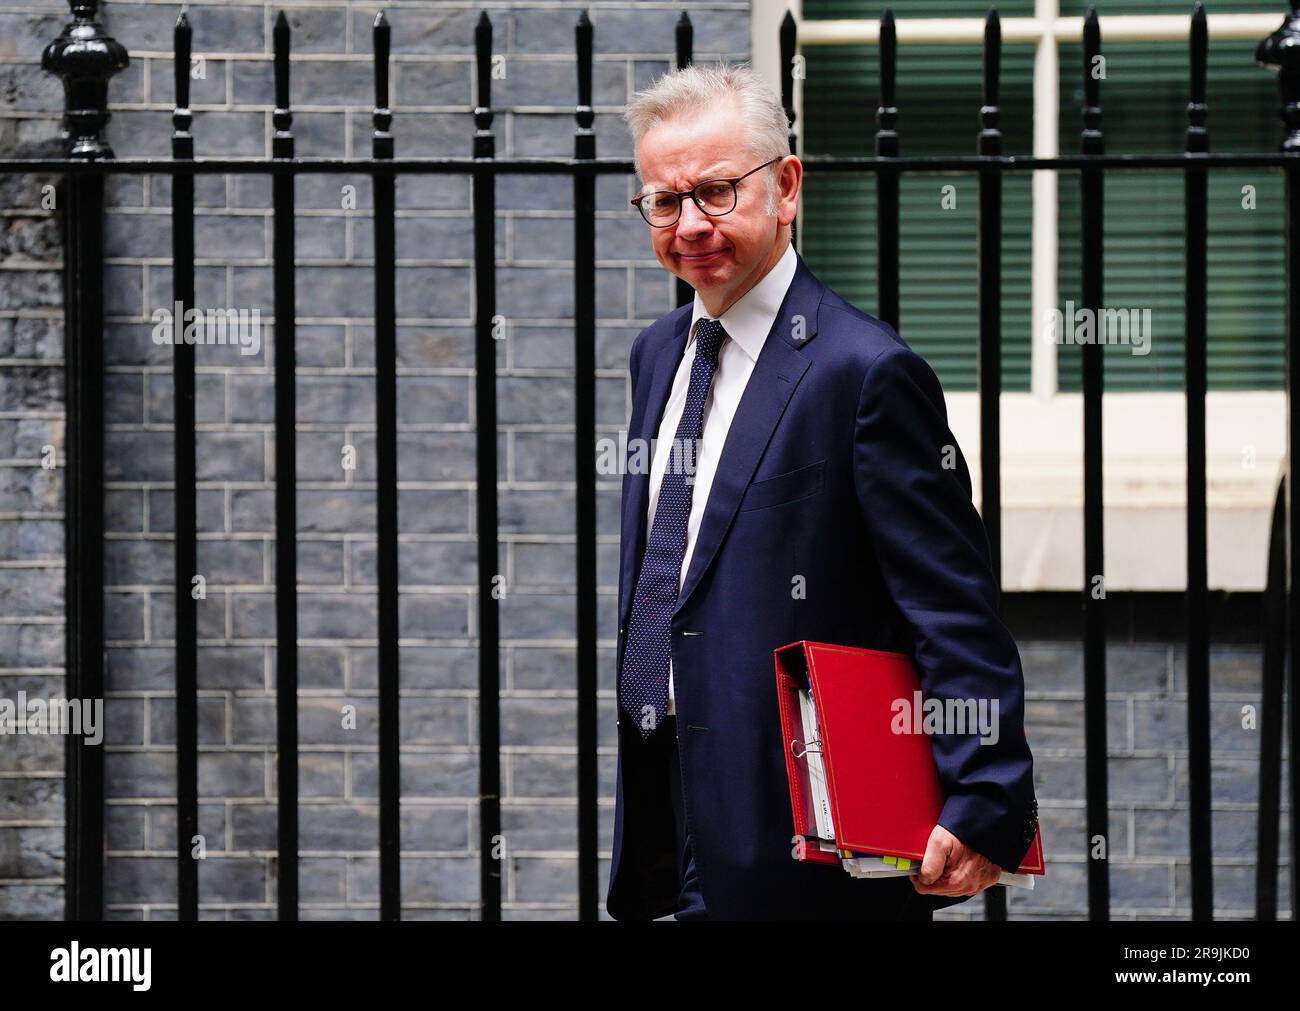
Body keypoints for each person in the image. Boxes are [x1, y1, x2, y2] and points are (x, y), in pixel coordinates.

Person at [606, 63, 1038, 921]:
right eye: (664, 201)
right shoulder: (658, 355)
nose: (691, 224)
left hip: (806, 849)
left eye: (719, 191)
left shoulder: (864, 371)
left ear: (787, 186)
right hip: (674, 816)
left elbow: (951, 604)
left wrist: (985, 794)